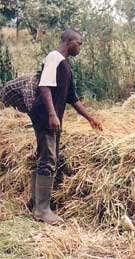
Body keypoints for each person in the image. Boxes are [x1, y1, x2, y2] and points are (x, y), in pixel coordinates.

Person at [28, 29, 103, 225]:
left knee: (46, 156)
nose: (80, 46)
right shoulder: (54, 57)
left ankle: (36, 204)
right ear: (69, 41)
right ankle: (42, 210)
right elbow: (44, 86)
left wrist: (90, 118)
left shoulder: (65, 65)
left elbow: (73, 99)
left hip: (52, 116)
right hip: (45, 115)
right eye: (79, 43)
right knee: (48, 158)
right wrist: (52, 114)